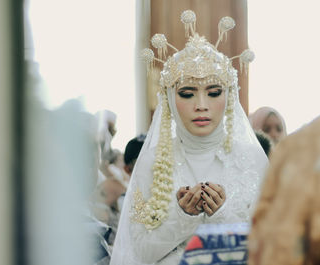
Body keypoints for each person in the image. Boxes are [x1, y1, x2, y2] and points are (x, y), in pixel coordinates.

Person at [110, 11, 268, 265]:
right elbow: (138, 253)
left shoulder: (251, 160)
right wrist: (183, 218)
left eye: (214, 92)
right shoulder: (152, 162)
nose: (201, 105)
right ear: (171, 100)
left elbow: (271, 247)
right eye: (187, 94)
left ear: (228, 98)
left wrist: (222, 216)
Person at [249, 110, 320, 265]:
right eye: (266, 129)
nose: (274, 134)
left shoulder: (303, 147)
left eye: (278, 128)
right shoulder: (302, 151)